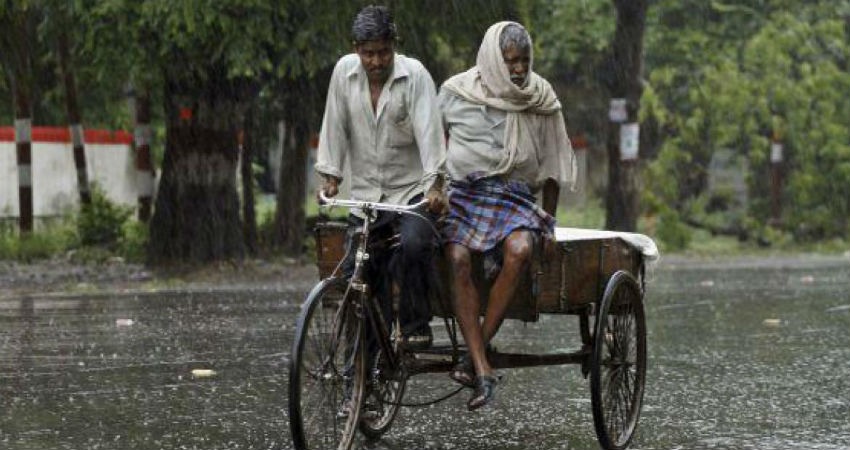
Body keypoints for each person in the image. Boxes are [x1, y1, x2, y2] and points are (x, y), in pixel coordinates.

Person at [439, 21, 576, 410]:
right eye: (509, 61)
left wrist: (548, 225)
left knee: (519, 249)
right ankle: (483, 367)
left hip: (515, 197)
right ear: (491, 60)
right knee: (456, 257)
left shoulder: (541, 96)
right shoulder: (456, 92)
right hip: (464, 195)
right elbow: (430, 147)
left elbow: (552, 167)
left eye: (524, 60)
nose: (518, 69)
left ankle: (473, 355)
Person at [315, 5, 447, 354]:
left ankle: (417, 325)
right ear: (356, 48)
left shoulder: (414, 76)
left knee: (414, 245)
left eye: (383, 52)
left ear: (394, 45)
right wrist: (331, 177)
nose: (376, 61)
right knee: (357, 274)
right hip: (367, 196)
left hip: (412, 193)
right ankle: (363, 369)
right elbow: (334, 125)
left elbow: (430, 133)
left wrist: (435, 186)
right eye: (368, 53)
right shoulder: (344, 73)